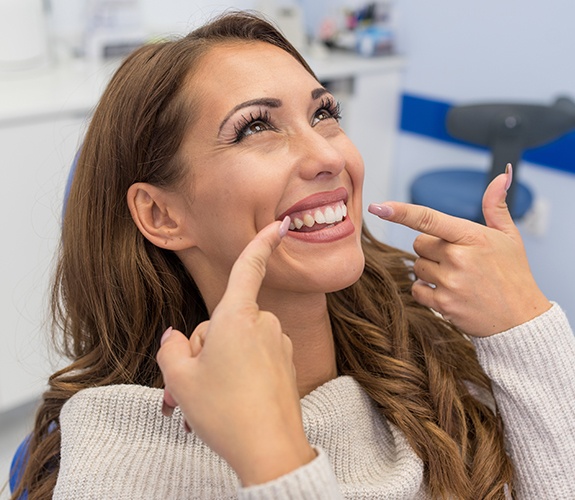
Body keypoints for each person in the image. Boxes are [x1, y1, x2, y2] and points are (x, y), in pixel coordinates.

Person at [10, 10, 575, 500]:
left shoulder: (432, 358)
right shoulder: (119, 459)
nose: (326, 156)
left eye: (324, 113)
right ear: (162, 215)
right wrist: (274, 458)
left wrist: (523, 325)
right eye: (256, 126)